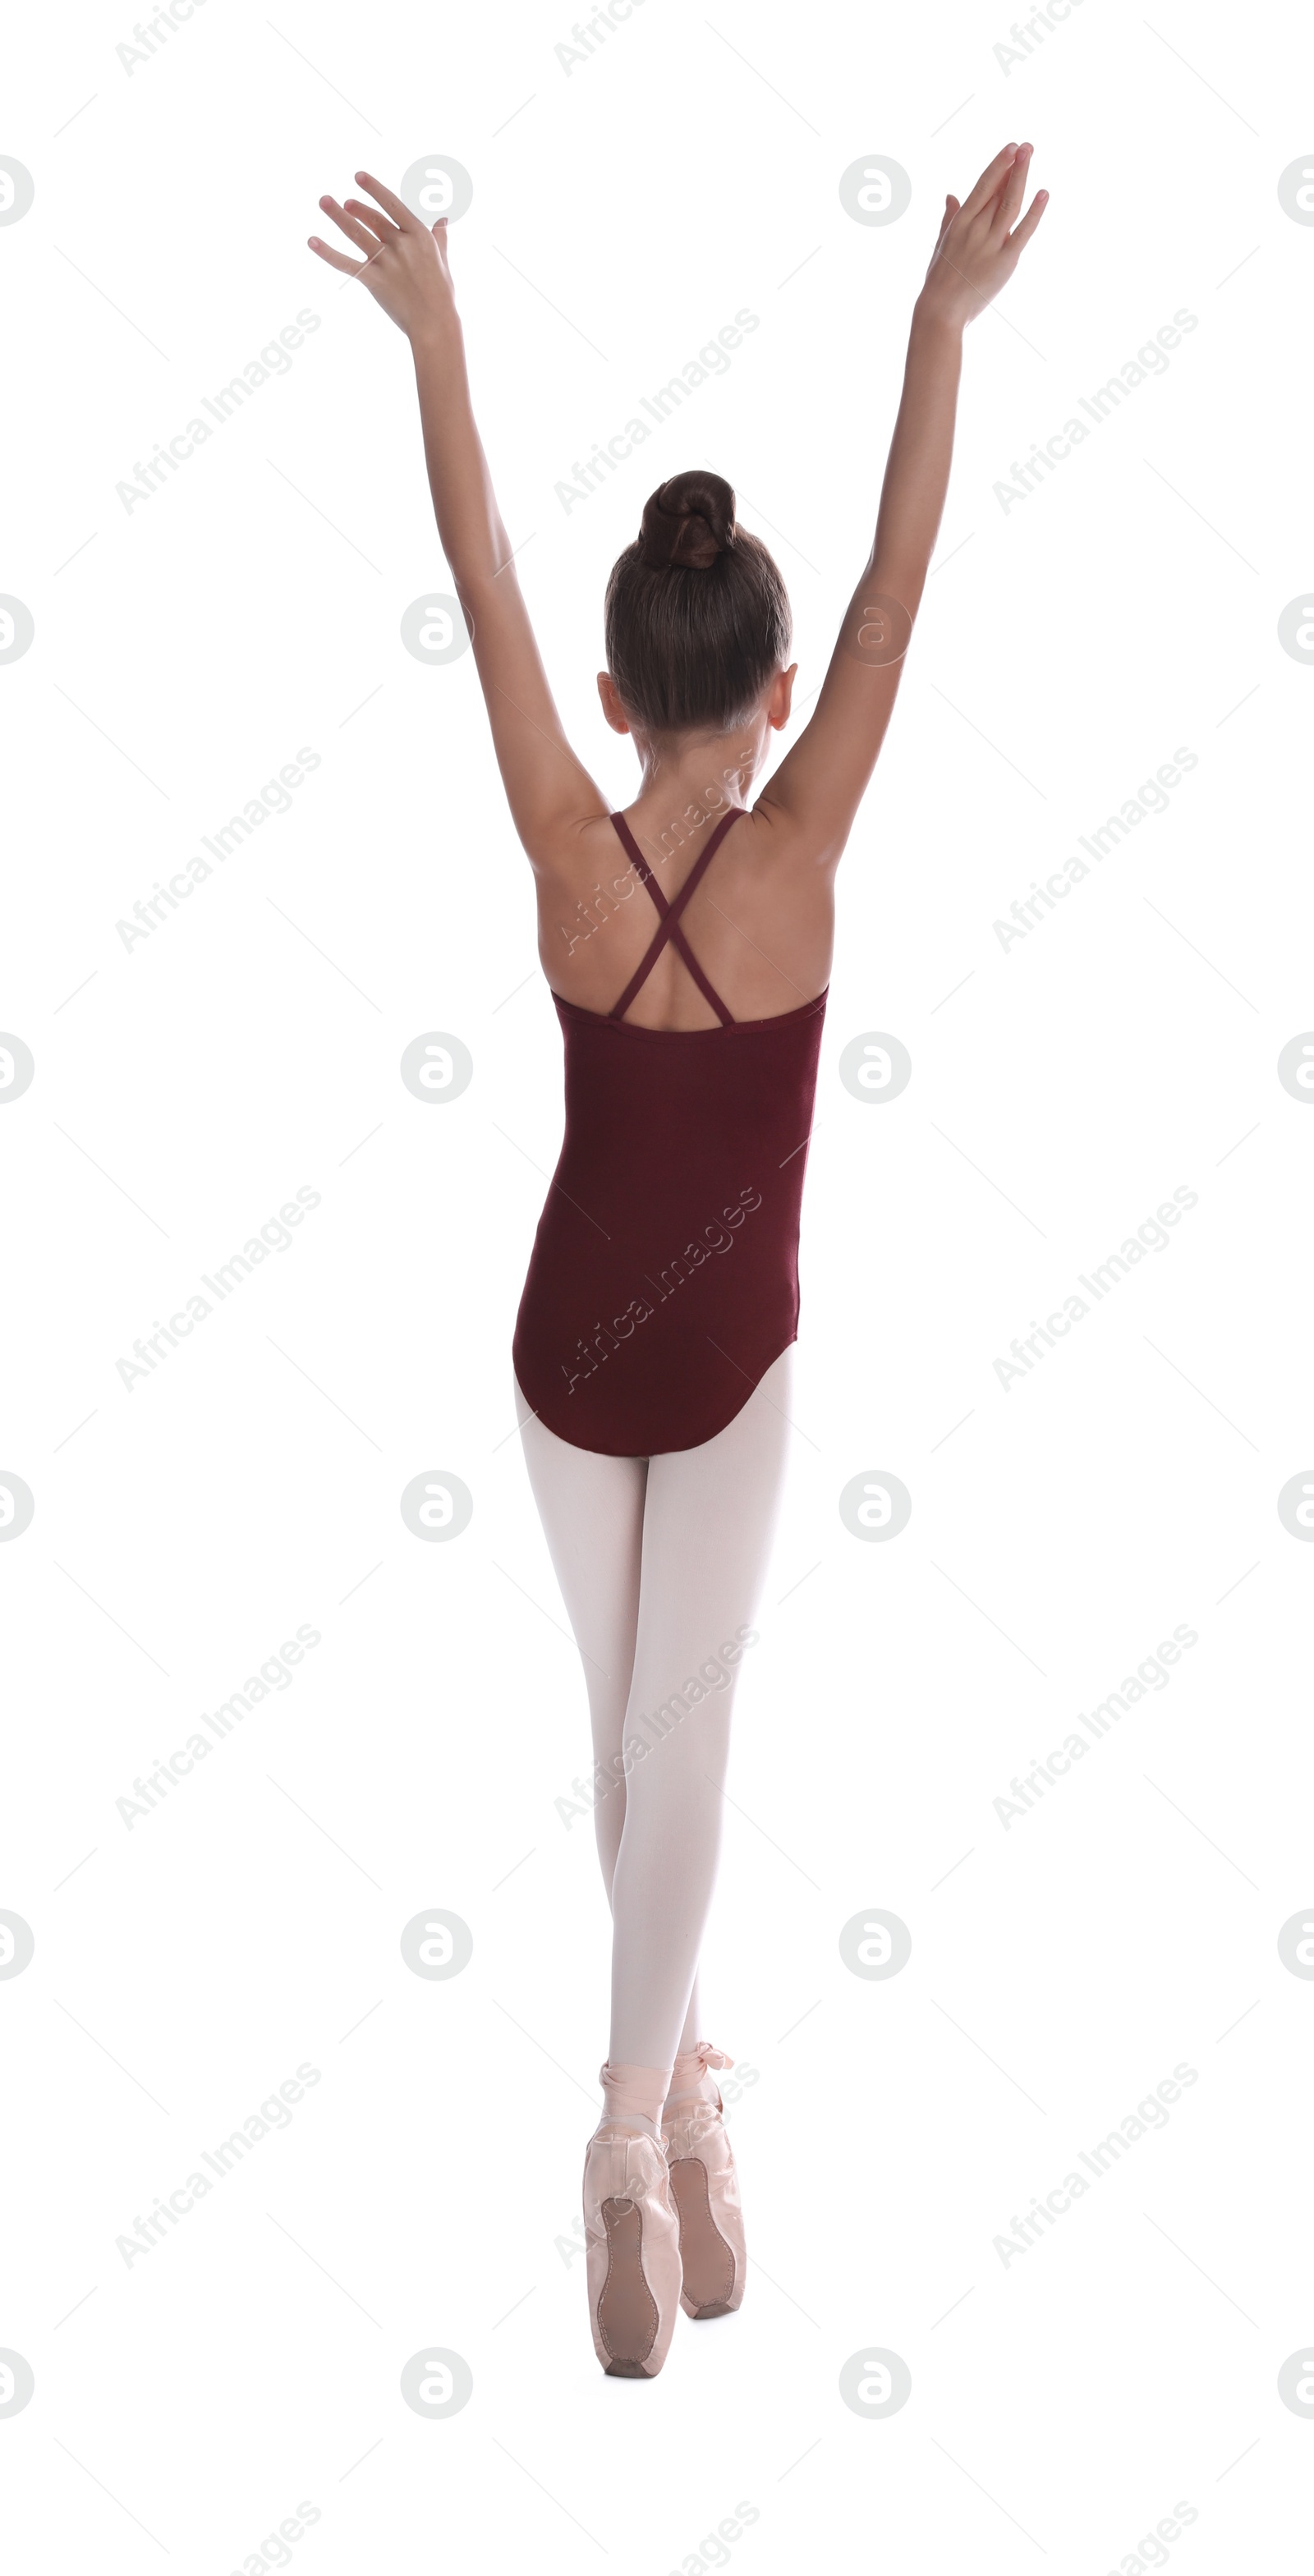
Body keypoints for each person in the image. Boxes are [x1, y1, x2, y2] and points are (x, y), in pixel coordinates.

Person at [310, 141, 1048, 2376]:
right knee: (681, 1737)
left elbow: (479, 566)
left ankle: (697, 2104)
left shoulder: (560, 834)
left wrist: (438, 337)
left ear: (620, 704)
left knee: (636, 1747)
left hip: (560, 1356)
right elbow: (909, 600)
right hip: (731, 1357)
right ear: (778, 688)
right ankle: (630, 2131)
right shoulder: (805, 846)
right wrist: (937, 331)